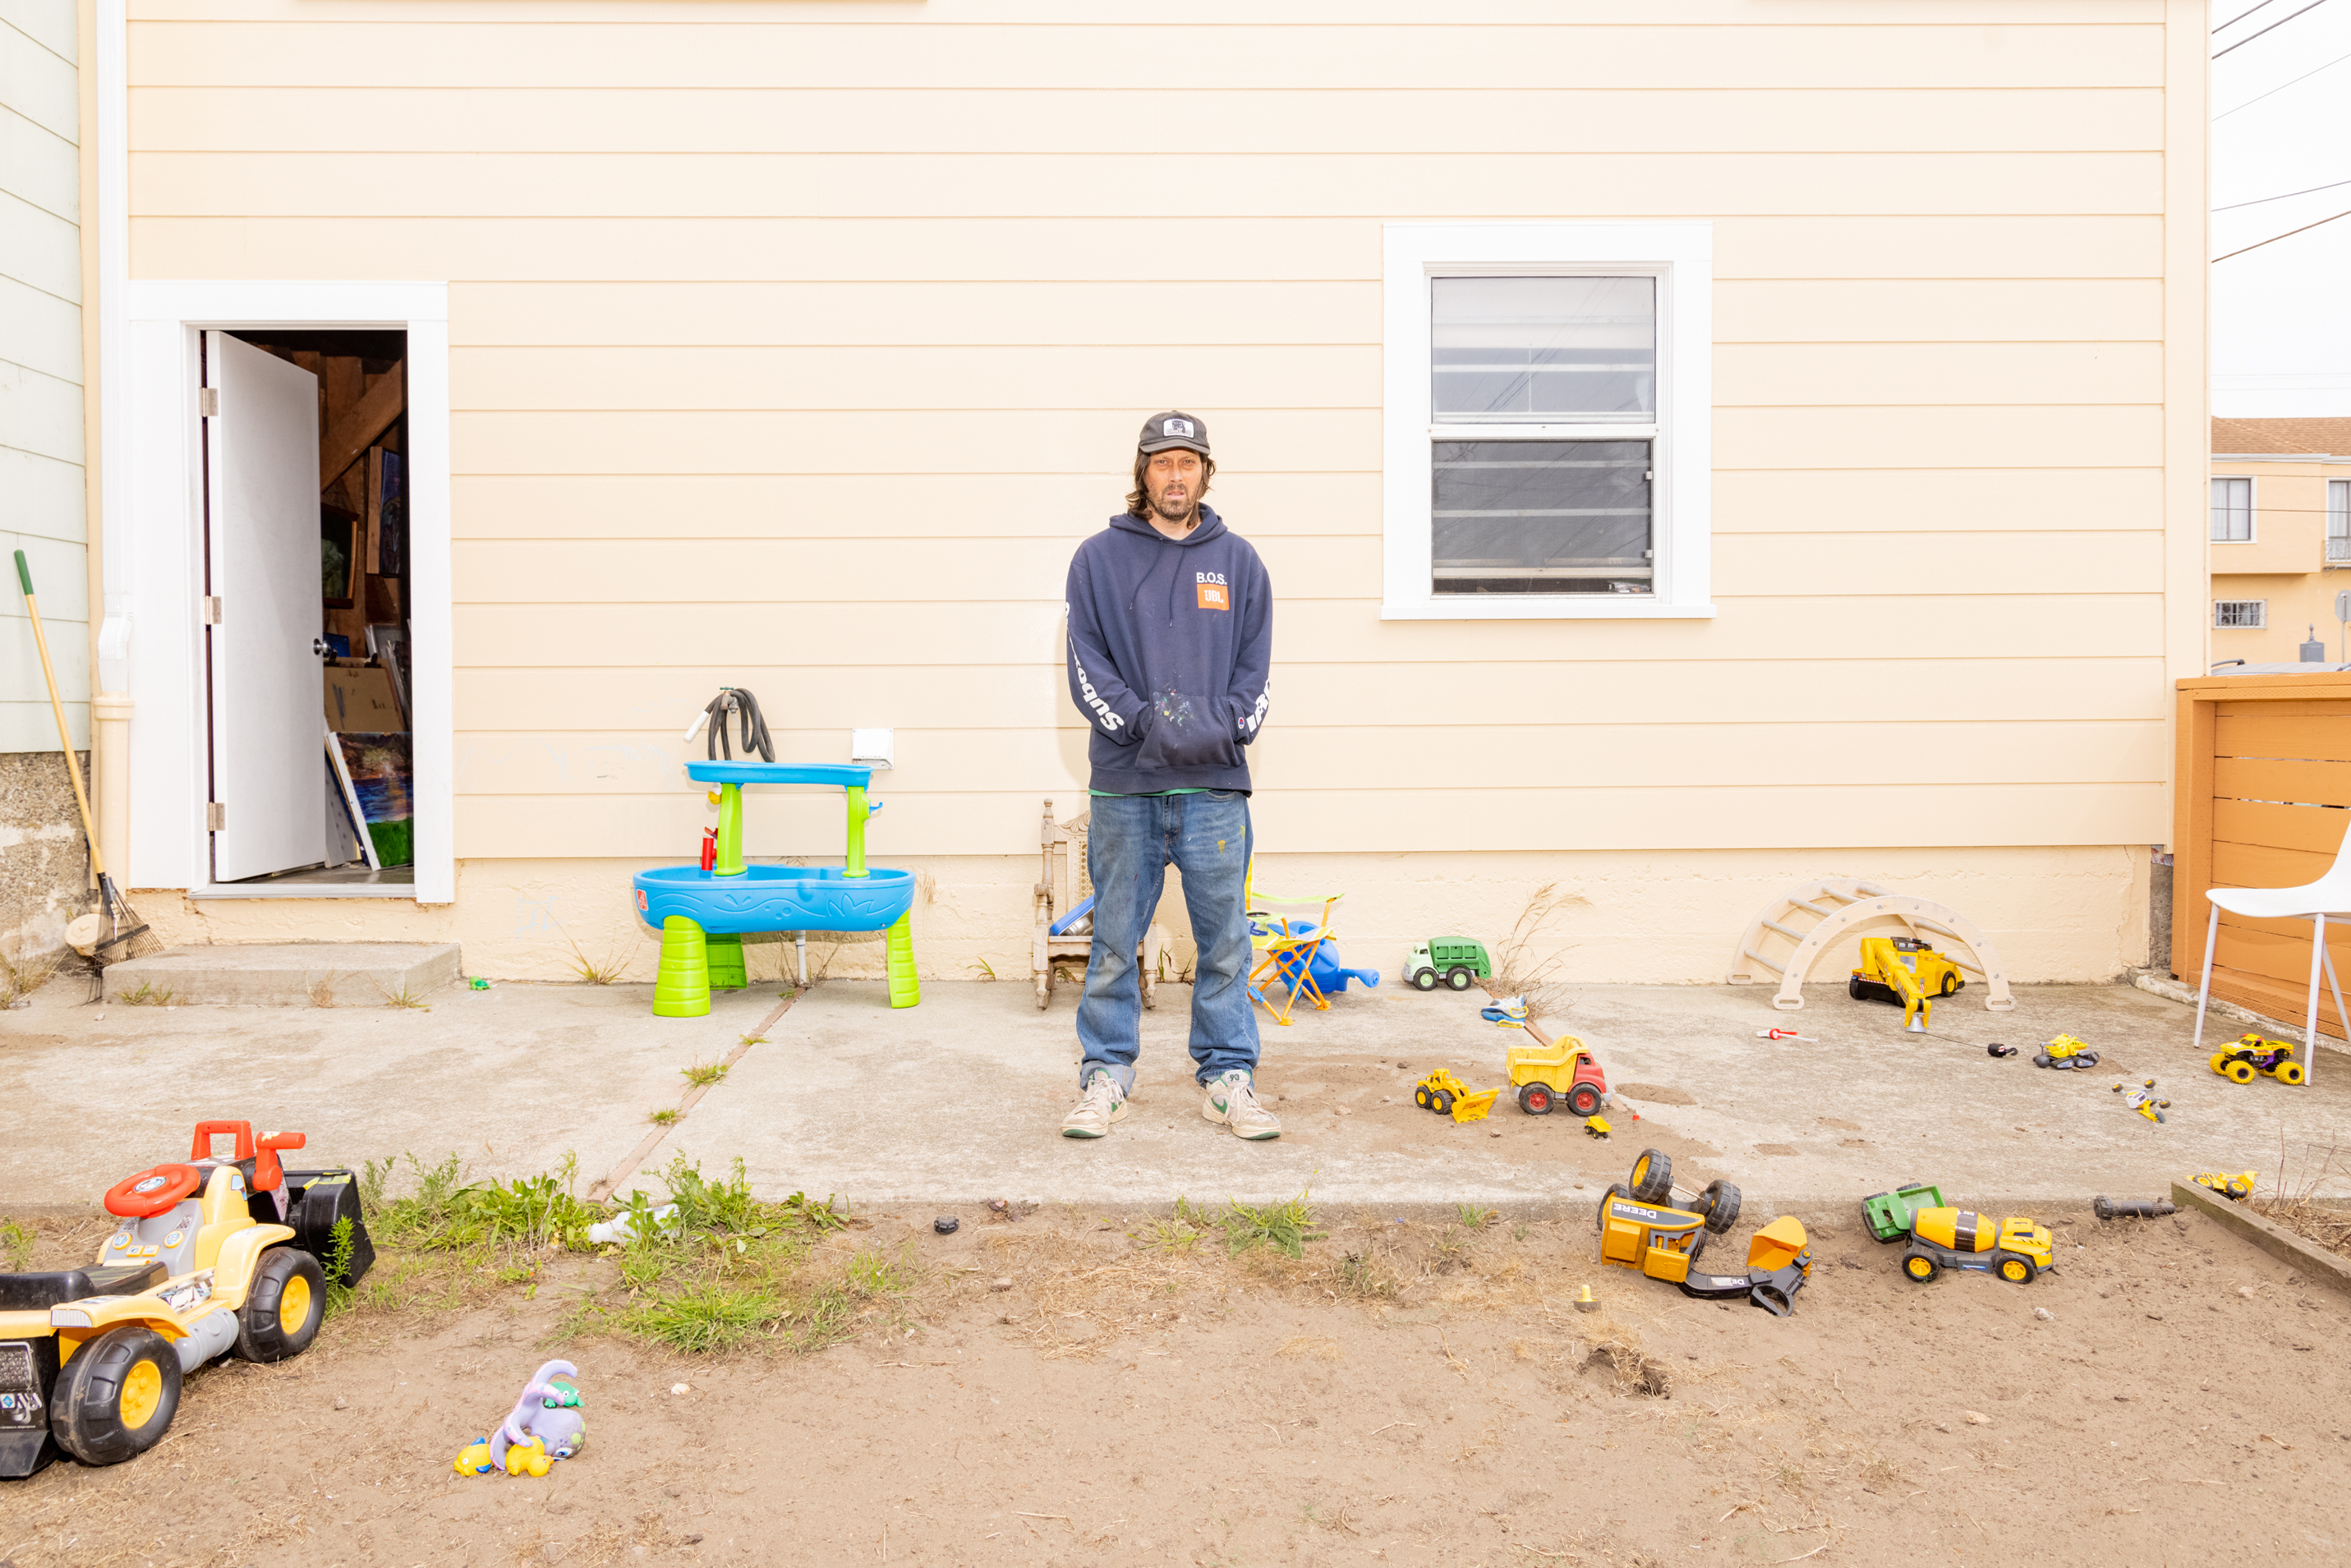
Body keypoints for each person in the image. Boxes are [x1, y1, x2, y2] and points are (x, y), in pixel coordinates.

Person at [1059, 412, 1277, 1141]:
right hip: (1126, 788)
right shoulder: (1097, 560)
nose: (1175, 475)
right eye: (1162, 462)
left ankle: (1228, 1078)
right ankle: (1105, 1078)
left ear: (1206, 473)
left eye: (1188, 462)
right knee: (1116, 940)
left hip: (1216, 792)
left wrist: (1210, 734)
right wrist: (1154, 727)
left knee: (1224, 943)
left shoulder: (1241, 563)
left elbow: (1255, 682)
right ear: (1142, 473)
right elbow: (1088, 670)